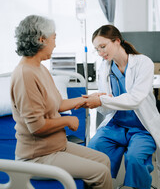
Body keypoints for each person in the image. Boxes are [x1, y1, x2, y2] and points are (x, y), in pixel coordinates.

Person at [10, 15, 113, 189]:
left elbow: (58, 104)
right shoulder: (25, 75)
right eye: (54, 38)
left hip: (57, 146)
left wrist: (87, 99)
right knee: (100, 172)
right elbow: (37, 126)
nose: (55, 44)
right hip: (37, 156)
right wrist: (67, 120)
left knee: (104, 160)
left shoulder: (40, 68)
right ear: (41, 40)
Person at [76, 25, 160, 189]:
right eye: (97, 49)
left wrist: (102, 100)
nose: (100, 53)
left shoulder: (143, 63)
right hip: (116, 125)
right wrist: (98, 98)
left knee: (135, 159)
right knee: (93, 150)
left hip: (141, 128)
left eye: (103, 46)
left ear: (117, 41)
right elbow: (107, 107)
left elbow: (135, 99)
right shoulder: (105, 68)